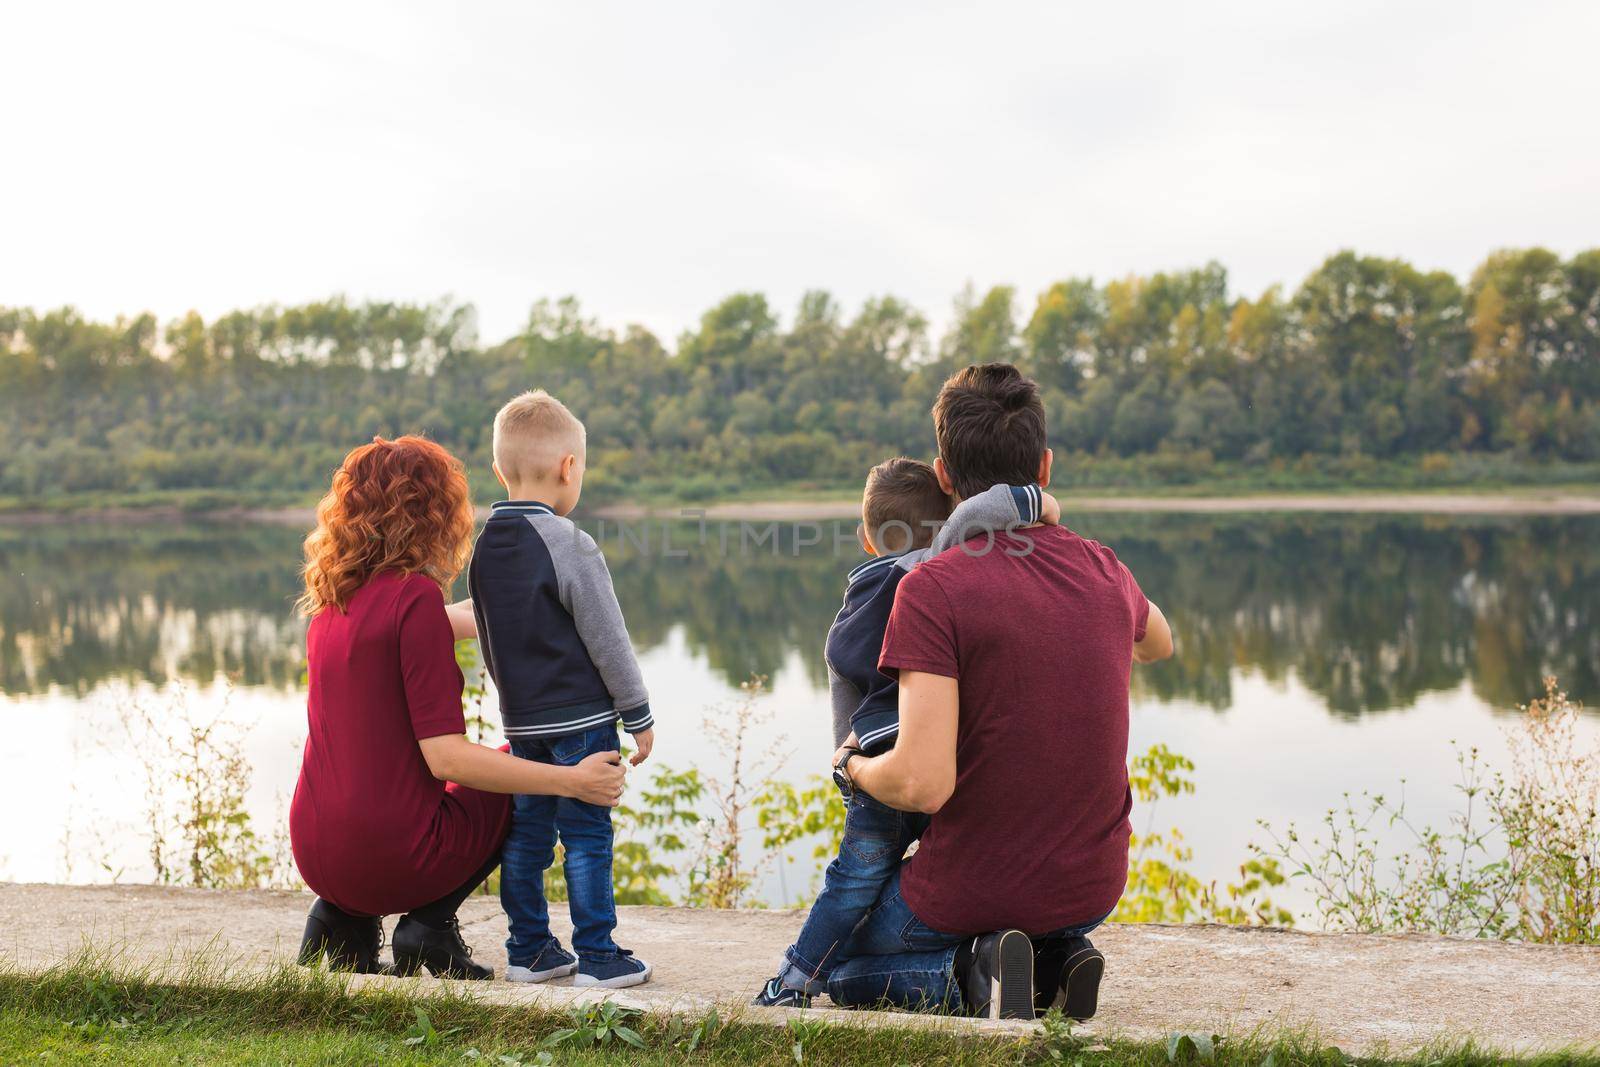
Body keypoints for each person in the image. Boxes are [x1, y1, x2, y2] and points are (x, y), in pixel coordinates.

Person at [821, 363, 1175, 1020]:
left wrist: (855, 764)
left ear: (945, 477)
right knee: (1020, 894)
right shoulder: (1105, 567)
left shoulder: (929, 591)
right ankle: (1057, 955)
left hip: (970, 888)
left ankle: (974, 972)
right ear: (1045, 468)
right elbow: (1161, 642)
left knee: (835, 958)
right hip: (1093, 886)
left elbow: (923, 785)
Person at [290, 435, 625, 980]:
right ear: (434, 511)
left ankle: (341, 918)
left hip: (317, 853)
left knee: (426, 775)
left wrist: (549, 602)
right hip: (389, 857)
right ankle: (429, 925)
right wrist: (570, 780)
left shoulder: (335, 600)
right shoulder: (414, 598)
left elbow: (461, 620)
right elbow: (449, 760)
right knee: (518, 762)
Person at [753, 458, 1059, 1007]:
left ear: (865, 540)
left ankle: (793, 981)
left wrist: (852, 778)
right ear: (945, 527)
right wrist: (1039, 503)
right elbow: (993, 507)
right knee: (949, 872)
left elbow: (844, 703)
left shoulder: (851, 606)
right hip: (946, 757)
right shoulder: (937, 562)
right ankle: (1039, 953)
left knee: (852, 884)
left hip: (881, 770)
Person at [462, 390, 656, 990]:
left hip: (522, 723)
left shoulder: (483, 547)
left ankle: (528, 950)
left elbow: (489, 636)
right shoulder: (570, 542)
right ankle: (598, 955)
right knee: (589, 835)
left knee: (528, 835)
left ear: (500, 471)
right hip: (582, 722)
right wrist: (638, 713)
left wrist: (513, 703)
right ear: (569, 468)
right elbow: (609, 638)